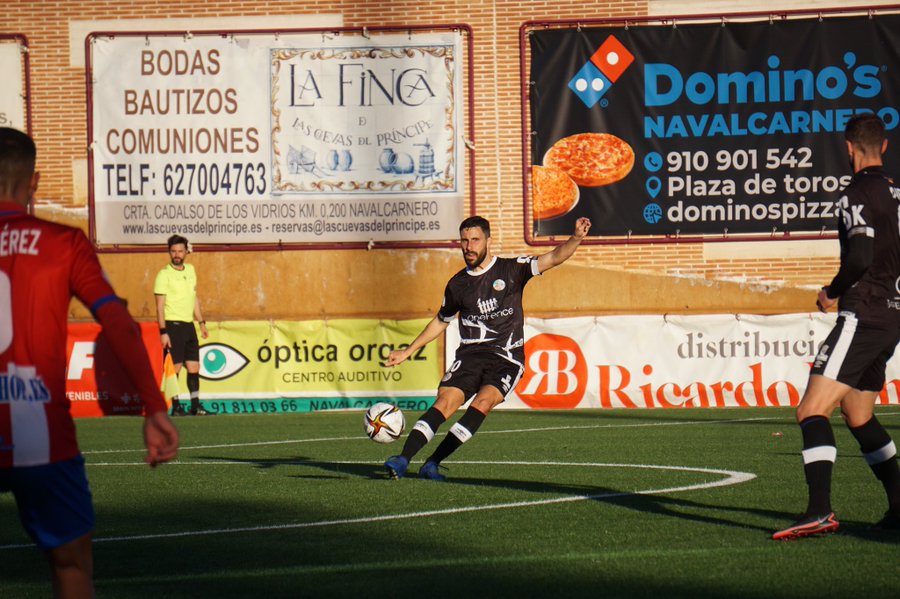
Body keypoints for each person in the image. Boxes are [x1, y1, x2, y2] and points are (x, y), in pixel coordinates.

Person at [0, 127, 179, 597]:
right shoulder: (63, 243)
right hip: (39, 429)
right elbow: (118, 323)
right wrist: (154, 407)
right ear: (34, 181)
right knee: (71, 565)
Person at [383, 215, 591, 480]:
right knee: (445, 403)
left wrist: (575, 238)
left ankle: (432, 462)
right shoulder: (457, 284)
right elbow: (441, 320)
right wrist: (408, 351)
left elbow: (553, 257)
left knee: (482, 402)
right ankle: (402, 459)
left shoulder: (512, 269)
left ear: (488, 241)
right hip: (470, 355)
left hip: (506, 357)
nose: (469, 246)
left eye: (475, 240)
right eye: (464, 241)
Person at [773, 113, 900, 540]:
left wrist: (831, 291)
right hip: (891, 315)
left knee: (811, 410)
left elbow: (860, 257)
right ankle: (899, 507)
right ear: (883, 147)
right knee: (859, 414)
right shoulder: (897, 194)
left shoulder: (855, 195)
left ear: (849, 149)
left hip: (862, 313)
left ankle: (819, 510)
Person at [154, 234, 209, 416]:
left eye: (180, 251)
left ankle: (195, 406)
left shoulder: (191, 270)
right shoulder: (164, 274)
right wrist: (163, 331)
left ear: (186, 252)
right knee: (174, 368)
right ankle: (176, 407)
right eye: (173, 251)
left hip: (189, 325)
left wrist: (201, 322)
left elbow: (194, 299)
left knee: (194, 367)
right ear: (169, 253)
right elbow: (160, 307)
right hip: (173, 326)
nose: (177, 254)